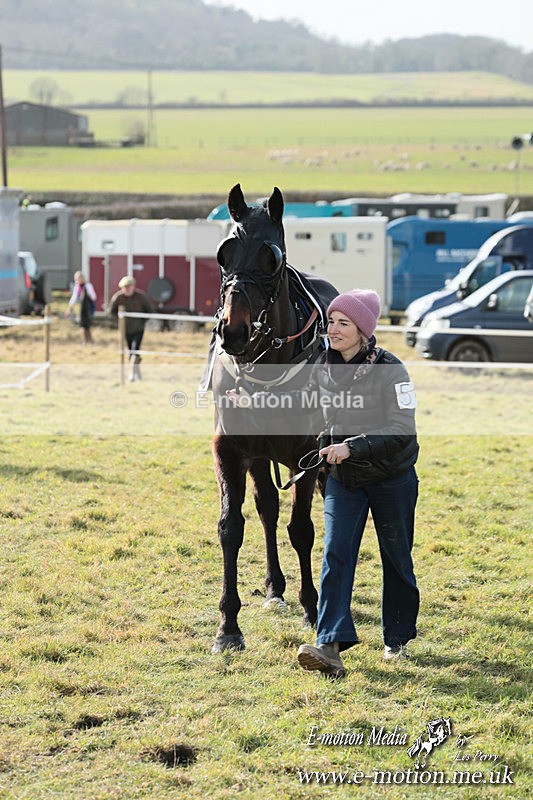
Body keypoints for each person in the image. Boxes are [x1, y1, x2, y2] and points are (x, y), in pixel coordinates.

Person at [229, 289, 420, 677]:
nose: (332, 329)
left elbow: (402, 430)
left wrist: (352, 447)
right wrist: (255, 404)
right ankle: (329, 644)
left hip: (391, 478)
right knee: (335, 555)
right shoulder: (321, 366)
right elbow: (294, 400)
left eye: (342, 323)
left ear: (363, 330)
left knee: (396, 559)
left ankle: (396, 639)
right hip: (344, 481)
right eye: (331, 321)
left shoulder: (393, 369)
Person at [109, 276, 153, 381]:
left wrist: (141, 321)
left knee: (135, 349)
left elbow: (150, 311)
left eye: (128, 287)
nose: (127, 289)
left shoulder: (141, 297)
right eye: (124, 287)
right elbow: (111, 312)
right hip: (125, 330)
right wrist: (119, 321)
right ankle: (137, 373)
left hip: (138, 329)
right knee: (130, 352)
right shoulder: (118, 298)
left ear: (133, 286)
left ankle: (132, 374)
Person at [65, 271, 97, 344]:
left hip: (89, 307)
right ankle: (85, 340)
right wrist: (69, 309)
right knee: (82, 324)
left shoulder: (88, 286)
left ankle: (90, 339)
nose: (78, 280)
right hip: (81, 307)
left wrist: (88, 294)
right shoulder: (77, 288)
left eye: (80, 278)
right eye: (76, 279)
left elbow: (94, 297)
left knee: (87, 324)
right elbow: (73, 298)